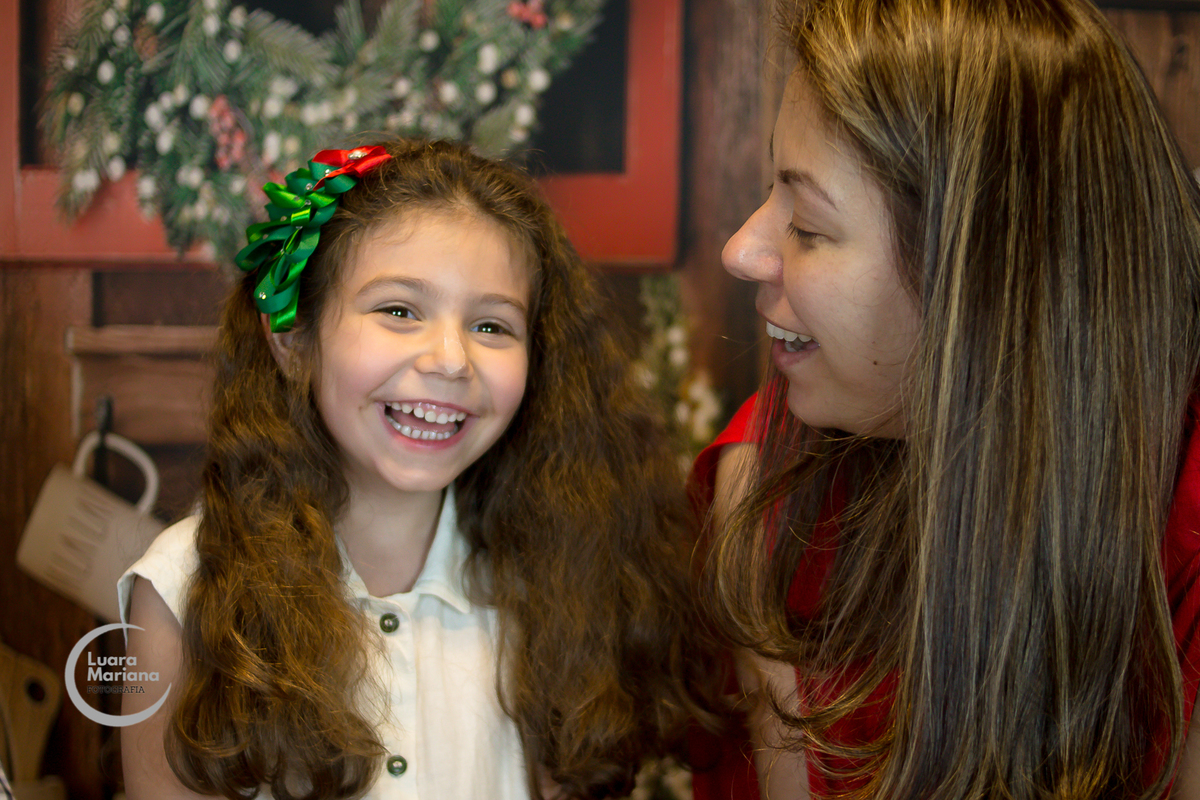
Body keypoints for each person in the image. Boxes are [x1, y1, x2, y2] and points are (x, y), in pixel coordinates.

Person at [691, 0, 1200, 798]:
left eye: (812, 227)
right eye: (769, 188)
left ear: (992, 283)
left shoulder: (1181, 526)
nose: (743, 249)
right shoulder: (771, 475)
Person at [118, 139, 713, 799]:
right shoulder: (179, 592)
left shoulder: (555, 580)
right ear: (292, 339)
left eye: (492, 326)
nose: (452, 359)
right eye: (399, 311)